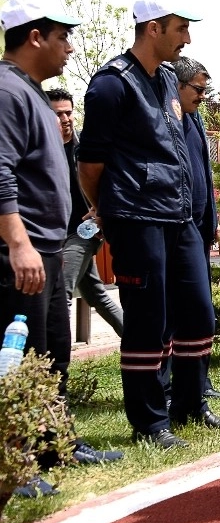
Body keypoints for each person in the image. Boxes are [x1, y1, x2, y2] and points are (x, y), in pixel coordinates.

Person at [78, 0, 220, 450]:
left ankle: (190, 405)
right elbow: (90, 163)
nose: (187, 38)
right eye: (181, 28)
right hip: (136, 218)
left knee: (198, 313)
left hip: (180, 216)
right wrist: (105, 209)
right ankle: (150, 421)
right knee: (149, 323)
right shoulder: (111, 84)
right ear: (153, 28)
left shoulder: (169, 79)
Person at [0, 0, 123, 490]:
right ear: (35, 37)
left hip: (49, 247)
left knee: (51, 353)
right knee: (19, 358)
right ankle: (16, 463)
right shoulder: (7, 92)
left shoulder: (32, 91)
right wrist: (17, 243)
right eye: (63, 37)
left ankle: (54, 447)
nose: (70, 47)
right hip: (23, 252)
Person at [173, 57, 220, 399]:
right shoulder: (169, 121)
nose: (202, 96)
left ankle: (200, 384)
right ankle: (173, 387)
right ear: (177, 86)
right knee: (183, 314)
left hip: (199, 228)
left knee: (201, 312)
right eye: (197, 89)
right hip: (178, 229)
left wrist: (212, 219)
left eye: (205, 90)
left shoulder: (194, 118)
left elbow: (204, 174)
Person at [46, 88, 124, 337]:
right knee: (97, 296)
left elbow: (112, 181)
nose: (65, 119)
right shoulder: (40, 149)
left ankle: (54, 365)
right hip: (54, 234)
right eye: (58, 114)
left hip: (83, 232)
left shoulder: (85, 149)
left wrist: (101, 209)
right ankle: (143, 344)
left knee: (60, 293)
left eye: (68, 113)